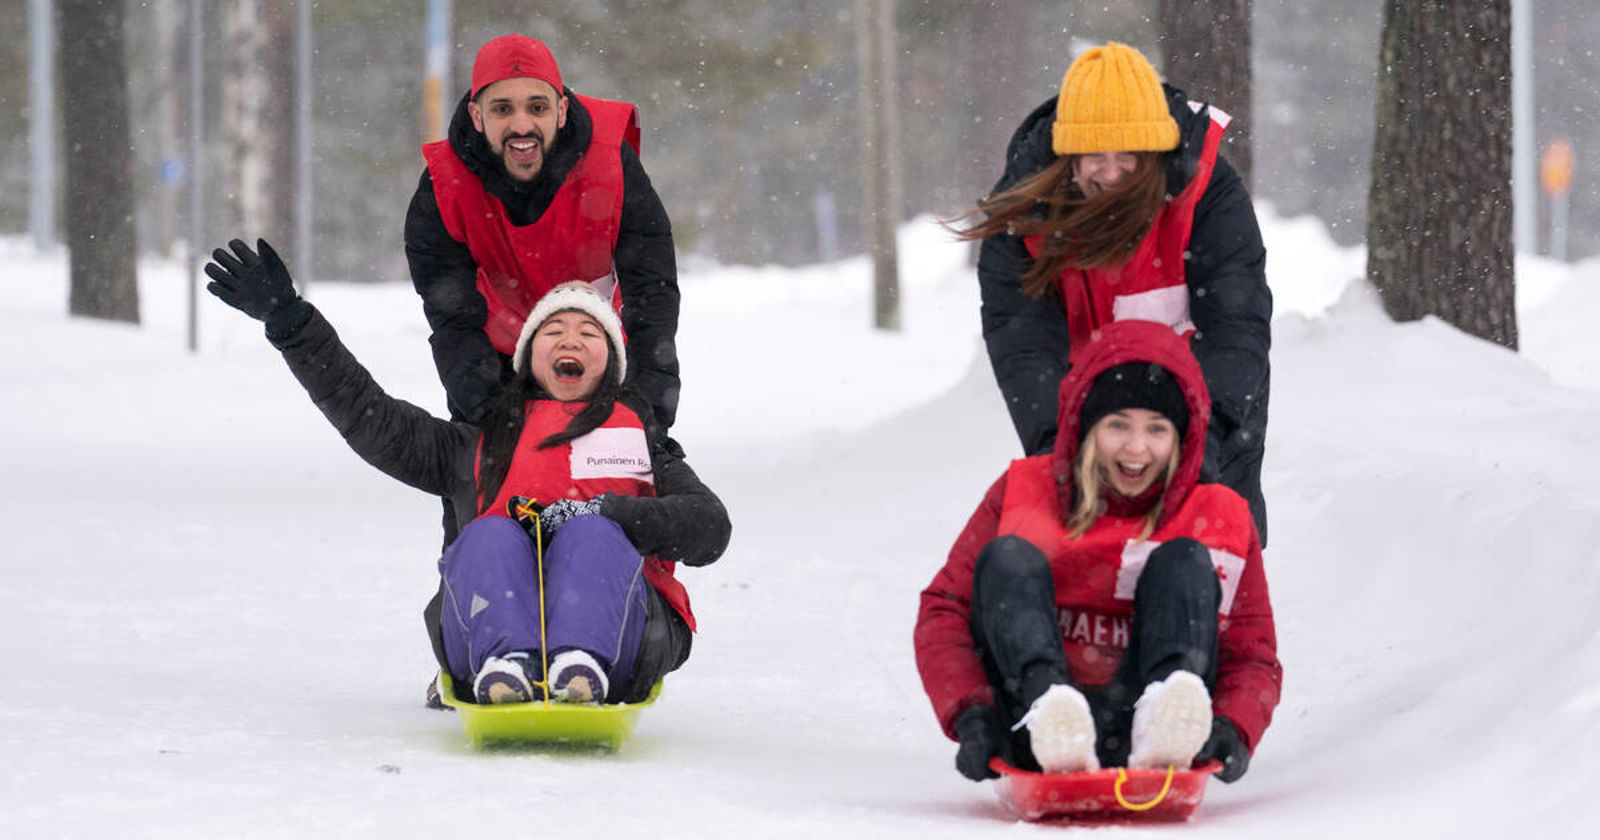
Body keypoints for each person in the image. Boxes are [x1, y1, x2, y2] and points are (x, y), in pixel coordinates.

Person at [204, 239, 729, 705]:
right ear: (528, 358)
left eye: (589, 331)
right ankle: (507, 664)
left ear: (610, 362)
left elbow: (709, 528)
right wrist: (293, 325)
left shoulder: (642, 445)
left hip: (625, 637)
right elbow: (373, 418)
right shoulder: (481, 444)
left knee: (592, 533)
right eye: (553, 330)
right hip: (485, 636)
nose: (570, 339)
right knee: (490, 534)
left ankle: (582, 665)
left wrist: (613, 515)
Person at [913, 319, 1280, 784]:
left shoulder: (1219, 515)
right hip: (1034, 716)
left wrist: (1234, 725)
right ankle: (1052, 714)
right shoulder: (1024, 493)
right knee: (1008, 558)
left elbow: (1253, 650)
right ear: (1087, 428)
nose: (1136, 448)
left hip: (1157, 721)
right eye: (1117, 425)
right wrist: (972, 713)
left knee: (1185, 560)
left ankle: (1164, 714)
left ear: (1182, 437)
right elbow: (945, 609)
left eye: (1157, 429)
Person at [952, 41, 1272, 545]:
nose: (1112, 170)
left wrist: (1194, 447)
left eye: (1129, 154)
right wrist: (1063, 452)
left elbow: (1237, 327)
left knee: (1208, 571)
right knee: (1086, 581)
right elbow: (1023, 344)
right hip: (1087, 423)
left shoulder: (1208, 190)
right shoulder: (1024, 216)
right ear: (1067, 156)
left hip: (1208, 416)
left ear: (1158, 150)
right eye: (1094, 155)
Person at [406, 33, 683, 545]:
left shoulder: (611, 163)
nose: (521, 125)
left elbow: (653, 291)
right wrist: (490, 416)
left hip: (597, 362)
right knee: (484, 519)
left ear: (560, 109)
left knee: (611, 515)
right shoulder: (442, 188)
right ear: (475, 115)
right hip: (497, 363)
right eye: (502, 108)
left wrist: (650, 406)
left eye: (536, 106)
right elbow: (452, 318)